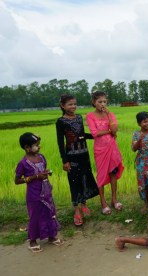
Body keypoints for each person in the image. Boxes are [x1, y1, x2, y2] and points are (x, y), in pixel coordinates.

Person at [15, 132, 64, 253]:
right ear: (27, 147)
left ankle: (51, 237)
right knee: (35, 217)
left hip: (46, 191)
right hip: (34, 195)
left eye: (39, 144)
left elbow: (43, 169)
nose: (39, 147)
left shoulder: (41, 157)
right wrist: (35, 176)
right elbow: (17, 180)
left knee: (50, 213)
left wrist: (47, 172)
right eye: (36, 145)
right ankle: (32, 241)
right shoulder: (23, 163)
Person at [56, 94, 99, 226]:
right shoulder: (61, 121)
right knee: (74, 181)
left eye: (75, 104)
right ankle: (76, 209)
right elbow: (60, 142)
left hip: (84, 154)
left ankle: (84, 204)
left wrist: (97, 136)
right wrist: (65, 160)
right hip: (72, 156)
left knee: (85, 179)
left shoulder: (79, 117)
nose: (73, 106)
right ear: (63, 106)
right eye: (70, 104)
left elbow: (82, 135)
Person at [86, 90, 124, 215]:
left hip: (112, 148)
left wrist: (108, 117)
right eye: (99, 102)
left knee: (113, 173)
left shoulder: (110, 114)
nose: (102, 104)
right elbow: (95, 133)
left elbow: (115, 129)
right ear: (93, 102)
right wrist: (110, 131)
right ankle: (103, 202)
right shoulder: (90, 116)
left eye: (104, 101)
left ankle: (114, 199)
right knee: (101, 175)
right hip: (100, 150)